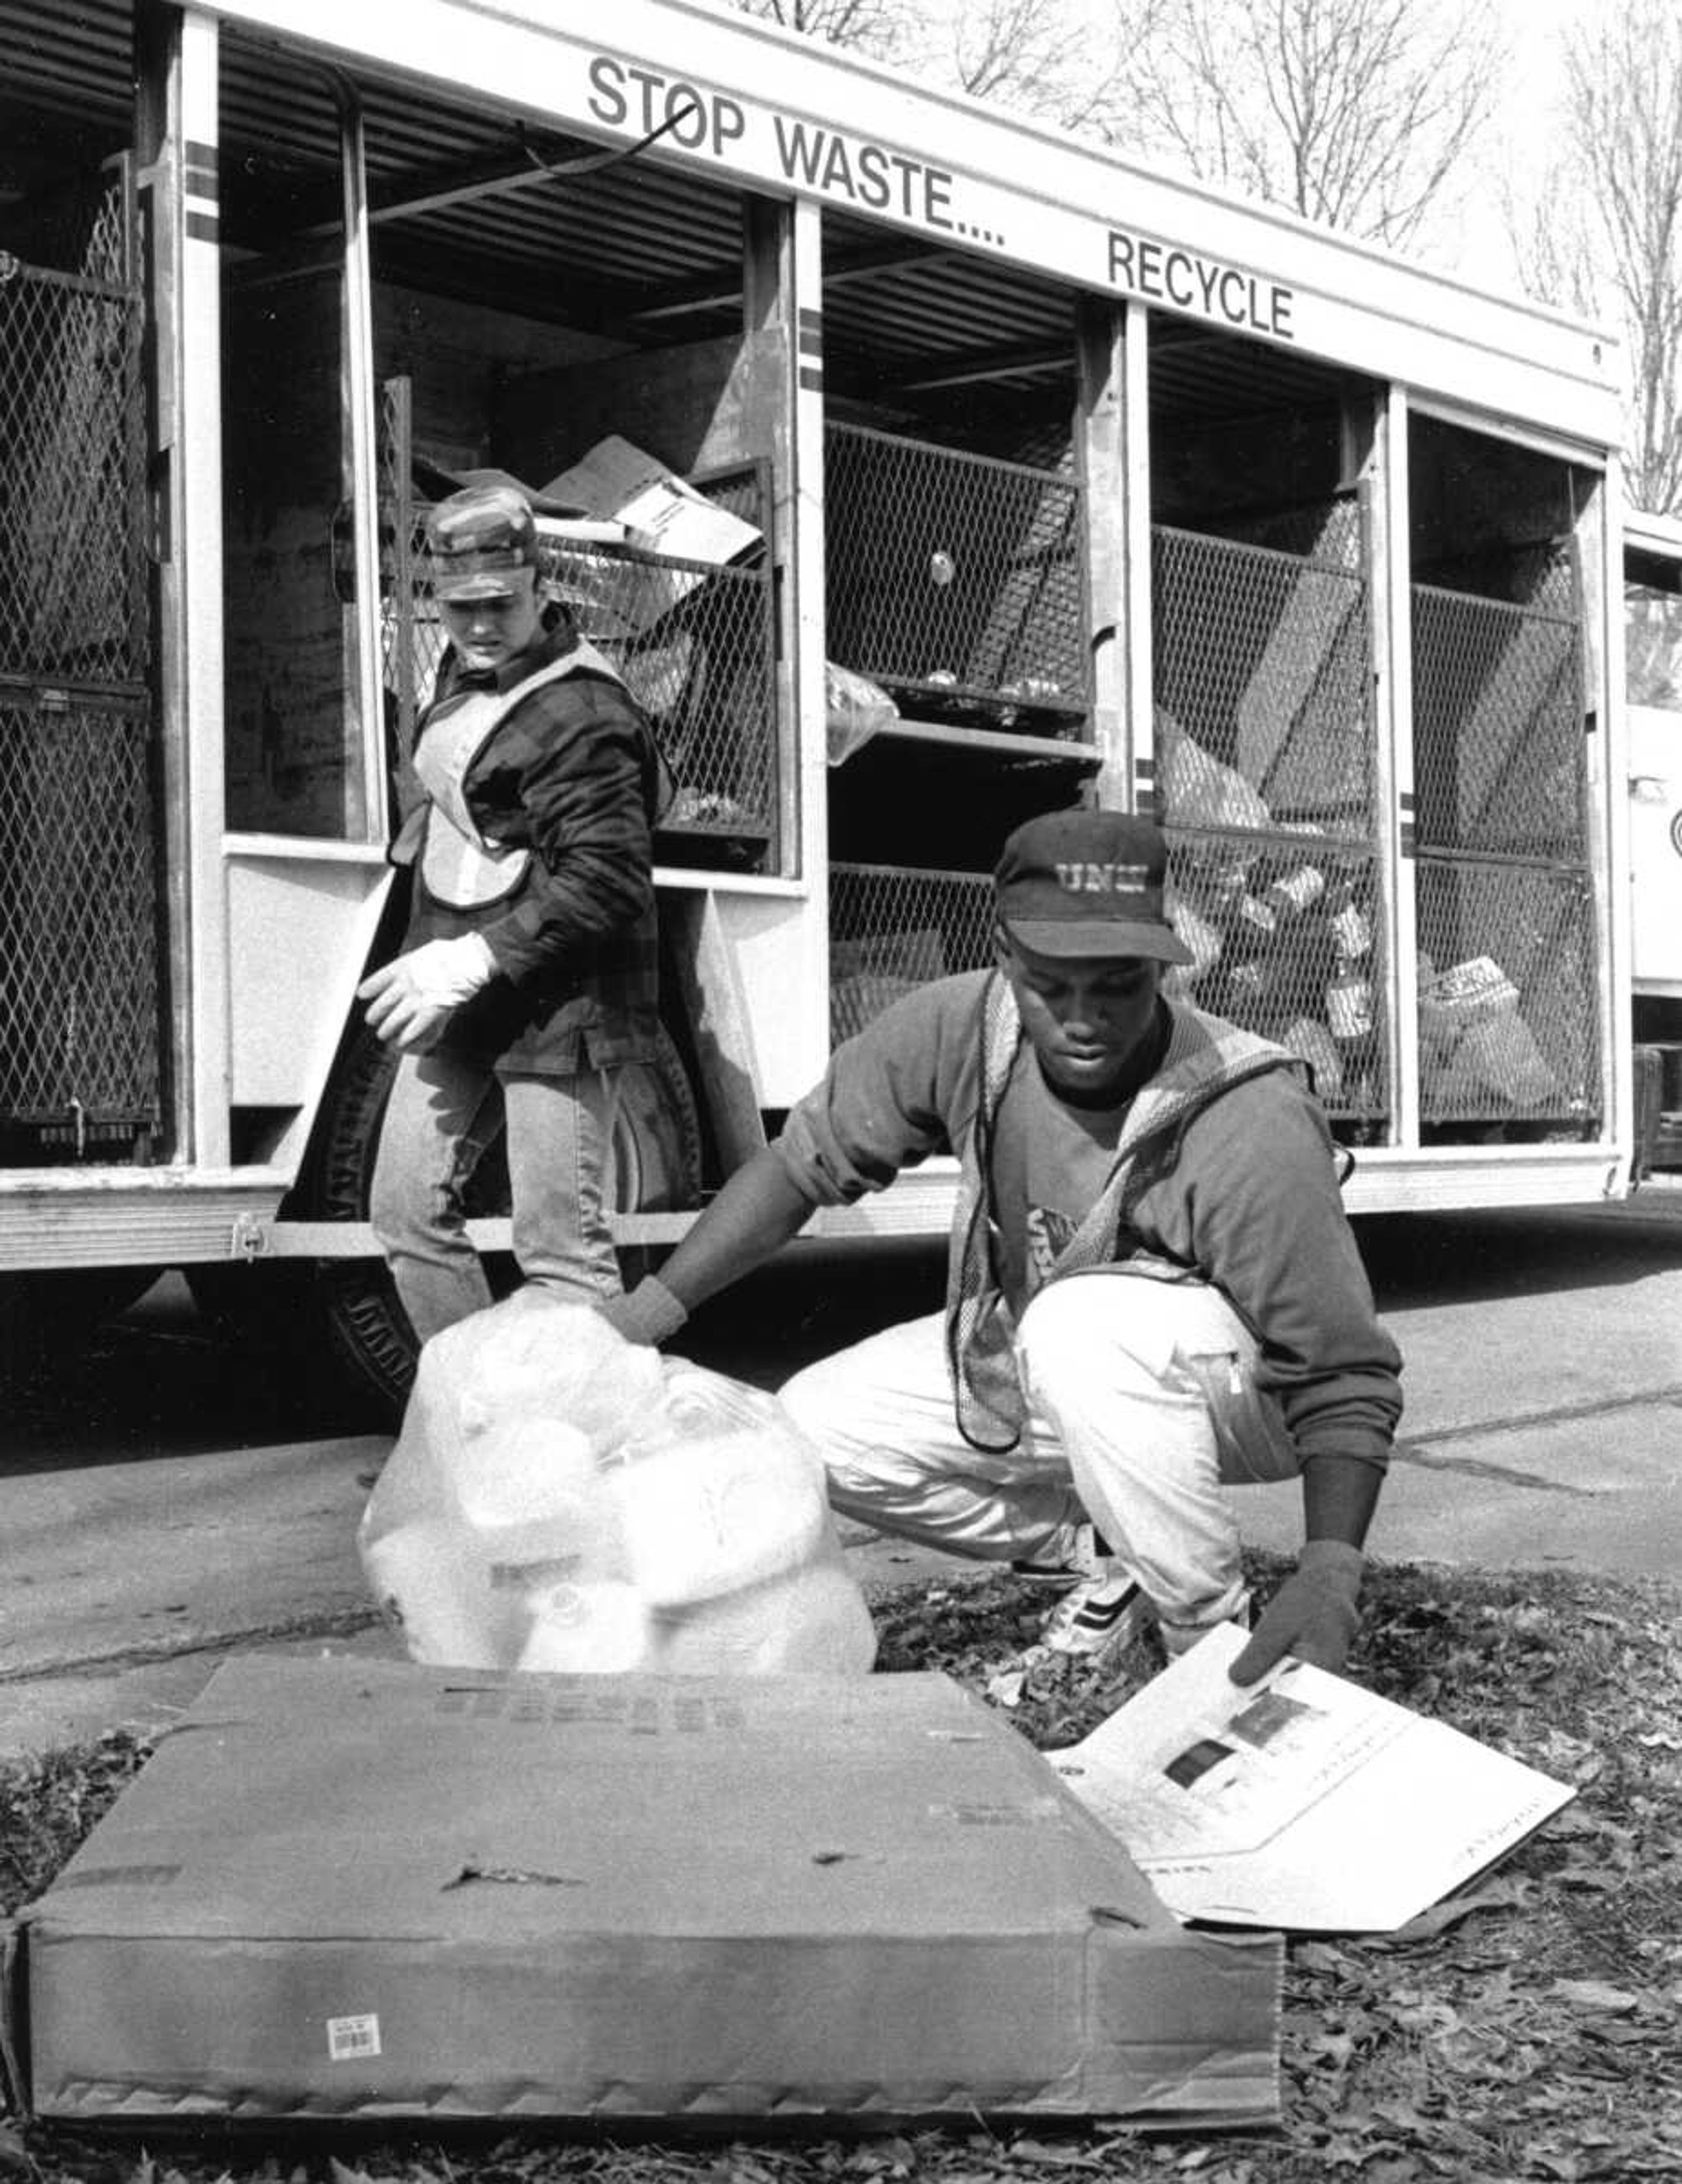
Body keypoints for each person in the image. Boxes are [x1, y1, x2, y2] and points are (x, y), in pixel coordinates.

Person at [600, 807, 1402, 1684]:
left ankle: (1207, 1640)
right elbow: (798, 1170)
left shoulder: (1245, 1109)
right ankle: (1112, 1557)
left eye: (1118, 985)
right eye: (1053, 985)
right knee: (811, 1431)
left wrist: (1332, 1563)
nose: (1085, 1018)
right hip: (1079, 1365)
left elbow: (1342, 1373)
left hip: (1246, 1395)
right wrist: (646, 1314)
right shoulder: (962, 1029)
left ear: (1167, 960)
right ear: (1004, 954)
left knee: (1078, 1325)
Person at [359, 481, 665, 1348]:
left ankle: (595, 1448)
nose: (481, 626)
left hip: (564, 998)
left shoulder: (584, 711)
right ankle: (485, 1423)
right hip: (477, 974)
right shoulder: (473, 666)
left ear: (538, 585)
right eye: (460, 610)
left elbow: (608, 882)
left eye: (500, 605)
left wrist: (466, 961)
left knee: (561, 1251)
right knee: (406, 1211)